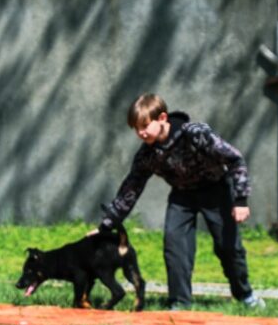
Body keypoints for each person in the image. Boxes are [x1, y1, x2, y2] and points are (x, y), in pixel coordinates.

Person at [98, 93, 264, 311]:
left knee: (228, 248)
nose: (141, 133)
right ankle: (180, 302)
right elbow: (131, 188)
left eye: (145, 126)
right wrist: (107, 224)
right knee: (175, 246)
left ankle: (245, 295)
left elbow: (234, 158)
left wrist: (240, 199)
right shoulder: (147, 155)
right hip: (182, 196)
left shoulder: (195, 134)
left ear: (162, 118)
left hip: (216, 191)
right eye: (136, 129)